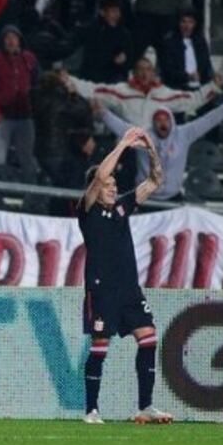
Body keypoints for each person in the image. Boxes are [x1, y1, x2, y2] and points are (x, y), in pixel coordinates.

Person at [78, 127, 173, 425]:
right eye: (108, 184)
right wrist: (123, 145)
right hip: (102, 290)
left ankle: (145, 406)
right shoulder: (88, 209)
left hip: (129, 290)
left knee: (148, 338)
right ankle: (91, 410)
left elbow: (156, 180)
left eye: (115, 183)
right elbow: (98, 176)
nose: (112, 188)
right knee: (100, 347)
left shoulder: (121, 207)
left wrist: (150, 150)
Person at [98, 95, 223, 201]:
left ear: (171, 120)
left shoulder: (184, 134)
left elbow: (207, 121)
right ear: (153, 123)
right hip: (146, 198)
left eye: (165, 119)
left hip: (173, 198)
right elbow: (120, 127)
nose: (162, 123)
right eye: (158, 120)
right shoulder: (143, 136)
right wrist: (102, 112)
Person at [67, 56, 221, 128]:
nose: (144, 73)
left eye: (148, 70)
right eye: (140, 69)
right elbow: (93, 89)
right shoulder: (121, 92)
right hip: (127, 148)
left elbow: (192, 99)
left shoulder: (164, 94)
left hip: (154, 149)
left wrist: (213, 86)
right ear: (133, 73)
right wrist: (68, 80)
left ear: (154, 73)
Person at [0, 25, 38, 177]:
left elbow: (37, 84)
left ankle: (32, 196)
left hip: (25, 117)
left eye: (14, 37)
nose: (11, 41)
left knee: (27, 157)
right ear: (2, 40)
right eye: (7, 37)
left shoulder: (29, 59)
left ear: (20, 40)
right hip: (1, 118)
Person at [79, 0, 135, 84]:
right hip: (92, 75)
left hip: (114, 76)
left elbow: (129, 58)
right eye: (113, 11)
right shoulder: (92, 30)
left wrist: (124, 59)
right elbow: (90, 58)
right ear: (102, 12)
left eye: (118, 11)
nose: (116, 15)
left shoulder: (124, 34)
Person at [159, 8, 214, 91]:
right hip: (178, 89)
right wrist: (187, 77)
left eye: (190, 22)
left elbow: (207, 66)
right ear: (178, 23)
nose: (187, 26)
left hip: (200, 89)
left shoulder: (200, 42)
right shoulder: (169, 43)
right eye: (183, 22)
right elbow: (167, 71)